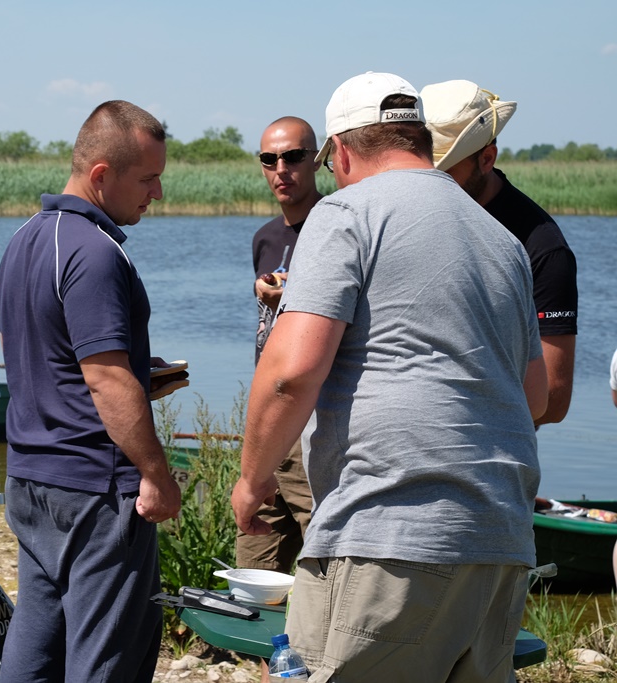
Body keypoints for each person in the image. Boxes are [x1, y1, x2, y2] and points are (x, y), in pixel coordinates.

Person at [231, 72, 548, 681]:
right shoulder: (505, 241)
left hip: (388, 536)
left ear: (341, 152)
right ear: (420, 141)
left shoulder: (345, 212)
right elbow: (534, 396)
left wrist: (252, 480)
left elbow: (290, 375)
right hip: (502, 540)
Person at [0, 100, 182, 683]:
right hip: (94, 490)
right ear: (101, 175)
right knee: (108, 659)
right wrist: (155, 472)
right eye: (147, 179)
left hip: (32, 479)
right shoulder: (96, 251)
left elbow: (34, 351)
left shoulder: (24, 238)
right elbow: (104, 378)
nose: (156, 193)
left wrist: (136, 368)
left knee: (37, 646)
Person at [421, 80, 578, 427]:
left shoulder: (542, 248)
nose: (429, 185)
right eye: (423, 170)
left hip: (491, 449)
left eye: (445, 171)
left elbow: (553, 399)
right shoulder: (410, 215)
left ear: (487, 158)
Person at [240, 117, 323, 574]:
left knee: (326, 555)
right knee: (253, 560)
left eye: (293, 157)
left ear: (317, 160)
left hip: (315, 421)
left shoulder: (336, 228)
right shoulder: (265, 238)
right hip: (267, 418)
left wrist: (292, 298)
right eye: (269, 160)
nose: (281, 170)